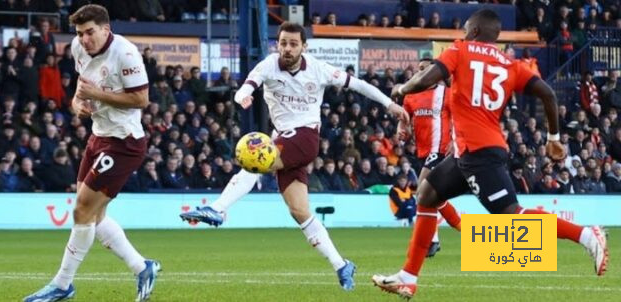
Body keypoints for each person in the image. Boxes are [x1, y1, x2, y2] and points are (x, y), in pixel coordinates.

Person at [373, 9, 609, 299]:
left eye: (464, 31)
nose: (462, 35)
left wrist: (401, 88)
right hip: (469, 151)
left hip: (480, 153)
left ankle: (586, 235)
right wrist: (553, 138)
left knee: (511, 214)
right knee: (427, 194)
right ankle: (408, 277)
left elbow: (423, 81)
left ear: (472, 32)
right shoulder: (510, 64)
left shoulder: (459, 51)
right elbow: (548, 93)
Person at [180, 22, 409, 291]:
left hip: (304, 137)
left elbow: (357, 84)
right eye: (283, 43)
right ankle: (341, 264)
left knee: (256, 158)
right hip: (282, 139)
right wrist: (243, 96)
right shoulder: (268, 65)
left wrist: (390, 105)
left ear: (303, 46)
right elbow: (247, 85)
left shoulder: (318, 68)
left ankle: (217, 209)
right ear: (276, 44)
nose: (287, 48)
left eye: (293, 44)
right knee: (300, 212)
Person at [24, 5, 160, 302]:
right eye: (80, 34)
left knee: (81, 210)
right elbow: (81, 87)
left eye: (90, 33)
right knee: (92, 215)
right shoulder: (77, 48)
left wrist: (96, 95)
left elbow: (141, 99)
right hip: (99, 137)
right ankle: (142, 267)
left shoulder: (125, 54)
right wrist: (76, 104)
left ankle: (62, 284)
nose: (84, 40)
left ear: (105, 30)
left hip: (124, 142)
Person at [400, 57, 462, 258]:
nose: (420, 74)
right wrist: (402, 130)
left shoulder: (447, 93)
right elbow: (405, 120)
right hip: (422, 151)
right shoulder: (410, 96)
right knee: (433, 197)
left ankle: (430, 241)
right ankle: (463, 229)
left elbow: (460, 117)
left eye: (425, 70)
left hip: (441, 150)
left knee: (422, 191)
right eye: (418, 70)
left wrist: (455, 140)